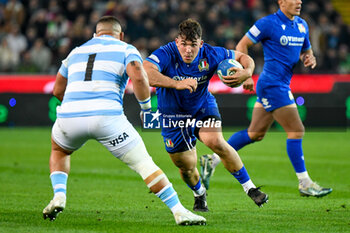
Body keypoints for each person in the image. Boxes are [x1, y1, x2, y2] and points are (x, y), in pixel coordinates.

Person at [42, 16, 206, 226]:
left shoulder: (75, 52)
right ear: (120, 35)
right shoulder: (125, 48)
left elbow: (57, 90)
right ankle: (179, 210)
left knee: (60, 150)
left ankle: (59, 196)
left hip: (69, 117)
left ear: (95, 34)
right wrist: (146, 109)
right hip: (107, 117)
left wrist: (78, 107)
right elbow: (138, 76)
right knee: (143, 163)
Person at [200, 0, 332, 198]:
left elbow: (307, 49)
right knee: (297, 131)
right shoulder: (267, 23)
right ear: (281, 2)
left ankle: (212, 160)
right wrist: (244, 73)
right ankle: (305, 183)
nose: (299, 2)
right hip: (272, 84)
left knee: (255, 134)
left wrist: (309, 56)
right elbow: (242, 44)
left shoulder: (302, 25)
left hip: (280, 84)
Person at [143, 18, 268, 212]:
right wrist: (177, 83)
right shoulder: (166, 53)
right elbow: (146, 73)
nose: (188, 50)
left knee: (216, 141)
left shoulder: (211, 53)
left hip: (202, 107)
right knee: (187, 167)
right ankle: (199, 192)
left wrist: (247, 72)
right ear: (177, 42)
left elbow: (244, 57)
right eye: (183, 44)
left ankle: (250, 188)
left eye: (193, 45)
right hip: (173, 116)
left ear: (200, 44)